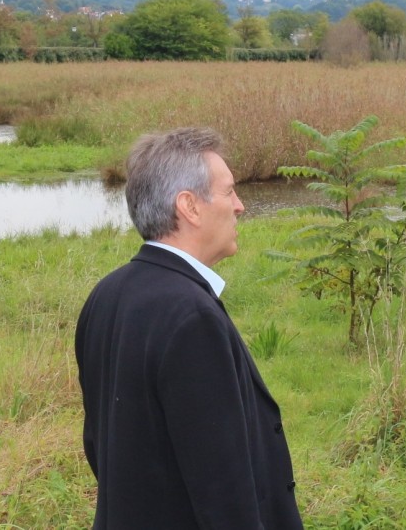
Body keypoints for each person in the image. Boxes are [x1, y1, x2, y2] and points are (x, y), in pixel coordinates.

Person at [75, 127, 304, 529]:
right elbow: (222, 486)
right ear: (190, 207)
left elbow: (100, 444)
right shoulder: (191, 316)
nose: (241, 205)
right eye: (230, 191)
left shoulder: (106, 294)